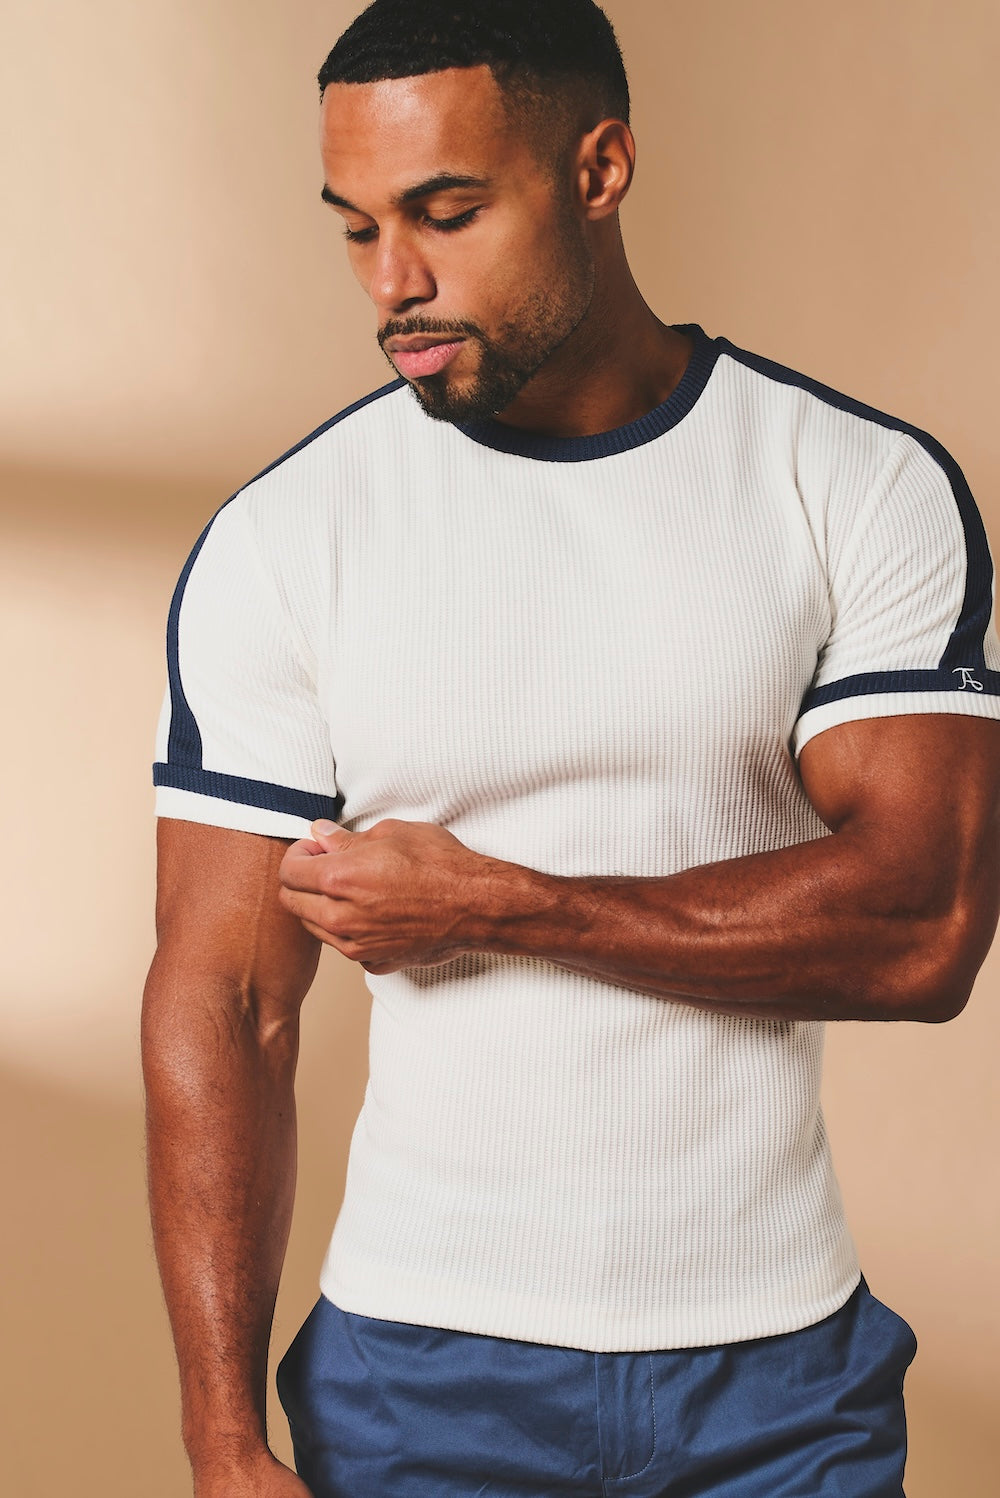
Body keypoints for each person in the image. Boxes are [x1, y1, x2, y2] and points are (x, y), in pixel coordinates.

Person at [141, 2, 1000, 1495]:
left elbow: (921, 930)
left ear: (598, 170)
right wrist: (221, 1436)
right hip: (418, 1375)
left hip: (779, 1378)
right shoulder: (287, 539)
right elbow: (227, 1003)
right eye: (356, 228)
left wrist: (497, 904)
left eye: (446, 213)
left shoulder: (853, 484)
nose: (394, 283)